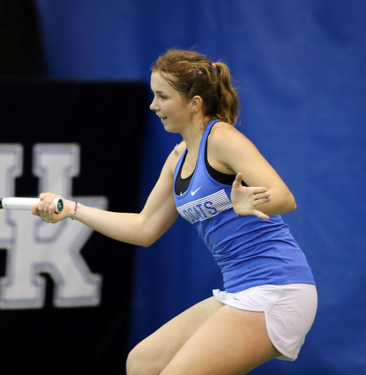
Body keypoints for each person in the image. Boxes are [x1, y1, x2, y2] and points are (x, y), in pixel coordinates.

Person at [32, 49, 317, 375]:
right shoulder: (178, 158)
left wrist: (248, 204)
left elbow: (284, 197)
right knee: (142, 363)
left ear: (194, 103)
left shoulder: (222, 138)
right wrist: (73, 210)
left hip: (278, 289)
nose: (154, 106)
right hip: (241, 288)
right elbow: (144, 228)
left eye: (162, 96)